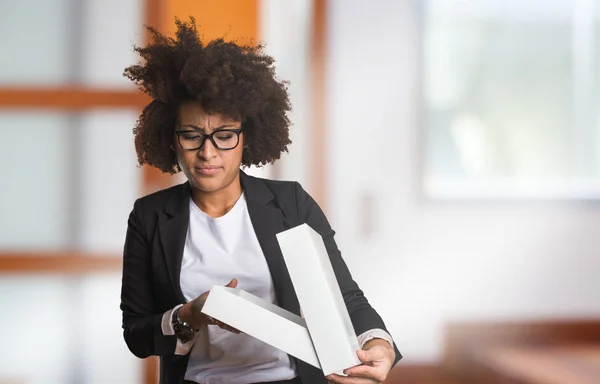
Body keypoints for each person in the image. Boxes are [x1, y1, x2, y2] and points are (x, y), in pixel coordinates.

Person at [120, 18, 401, 384]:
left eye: (224, 135)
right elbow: (136, 334)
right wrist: (190, 314)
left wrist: (380, 344)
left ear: (246, 138)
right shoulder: (151, 216)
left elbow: (345, 298)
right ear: (171, 140)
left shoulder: (291, 204)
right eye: (191, 135)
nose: (208, 152)